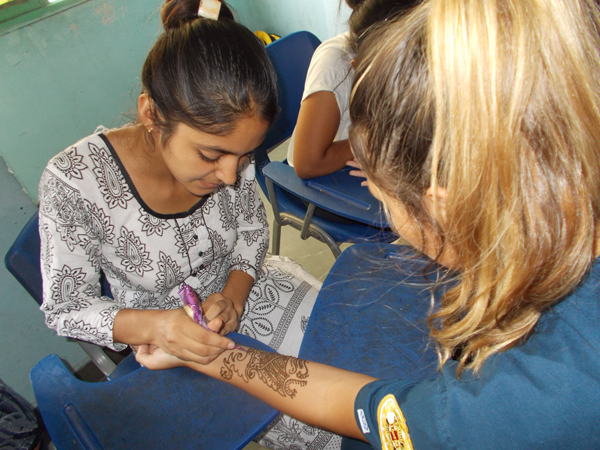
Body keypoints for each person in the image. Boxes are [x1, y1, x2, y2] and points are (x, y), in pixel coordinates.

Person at [136, 0, 600, 448]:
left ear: (446, 204)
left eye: (382, 196)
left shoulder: (521, 403)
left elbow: (379, 414)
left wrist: (219, 358)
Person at [38, 0, 337, 447]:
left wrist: (234, 296)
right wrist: (156, 326)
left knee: (351, 359)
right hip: (170, 348)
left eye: (243, 155)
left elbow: (253, 233)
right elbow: (66, 307)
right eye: (211, 155)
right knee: (317, 419)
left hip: (251, 290)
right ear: (152, 115)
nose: (231, 176)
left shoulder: (227, 154)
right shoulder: (76, 183)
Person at [288, 0, 418, 179]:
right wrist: (373, 143)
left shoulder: (413, 45)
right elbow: (307, 164)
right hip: (327, 180)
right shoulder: (336, 63)